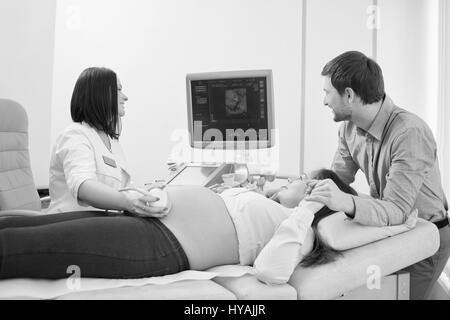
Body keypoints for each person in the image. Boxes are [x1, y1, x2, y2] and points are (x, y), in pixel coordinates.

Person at [0, 164, 353, 279]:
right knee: (19, 228)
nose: (293, 180)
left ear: (317, 198)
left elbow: (272, 272)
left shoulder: (301, 230)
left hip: (160, 245)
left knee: (25, 248)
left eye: (303, 182)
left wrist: (307, 208)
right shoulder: (270, 206)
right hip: (145, 220)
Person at [304, 51, 450, 300]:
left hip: (426, 236)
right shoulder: (349, 129)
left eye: (327, 92)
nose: (324, 101)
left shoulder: (409, 133)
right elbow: (336, 179)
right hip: (390, 232)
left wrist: (345, 201)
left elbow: (396, 209)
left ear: (348, 94)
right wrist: (301, 189)